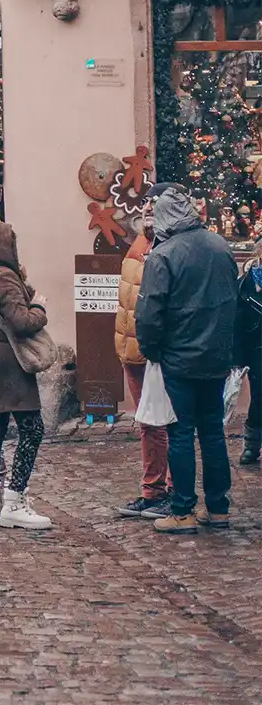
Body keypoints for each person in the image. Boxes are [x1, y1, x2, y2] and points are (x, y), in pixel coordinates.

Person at [135, 182, 238, 534]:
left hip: (178, 356)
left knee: (180, 432)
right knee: (212, 432)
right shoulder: (220, 247)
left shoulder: (163, 255)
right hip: (215, 356)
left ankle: (182, 509)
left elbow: (149, 314)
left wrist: (151, 350)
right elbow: (230, 303)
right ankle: (218, 507)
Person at [0, 219, 51, 530]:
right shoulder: (3, 277)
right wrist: (40, 308)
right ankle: (15, 500)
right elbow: (21, 321)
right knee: (32, 429)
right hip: (10, 364)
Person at [114, 202, 171, 518]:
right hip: (131, 350)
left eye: (154, 207)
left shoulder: (170, 246)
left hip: (155, 352)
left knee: (165, 423)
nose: (147, 213)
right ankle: (152, 491)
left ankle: (172, 492)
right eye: (146, 207)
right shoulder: (141, 242)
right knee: (148, 424)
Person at [235, 240, 262, 466]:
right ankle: (252, 445)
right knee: (259, 400)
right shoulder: (245, 284)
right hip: (256, 349)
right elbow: (236, 321)